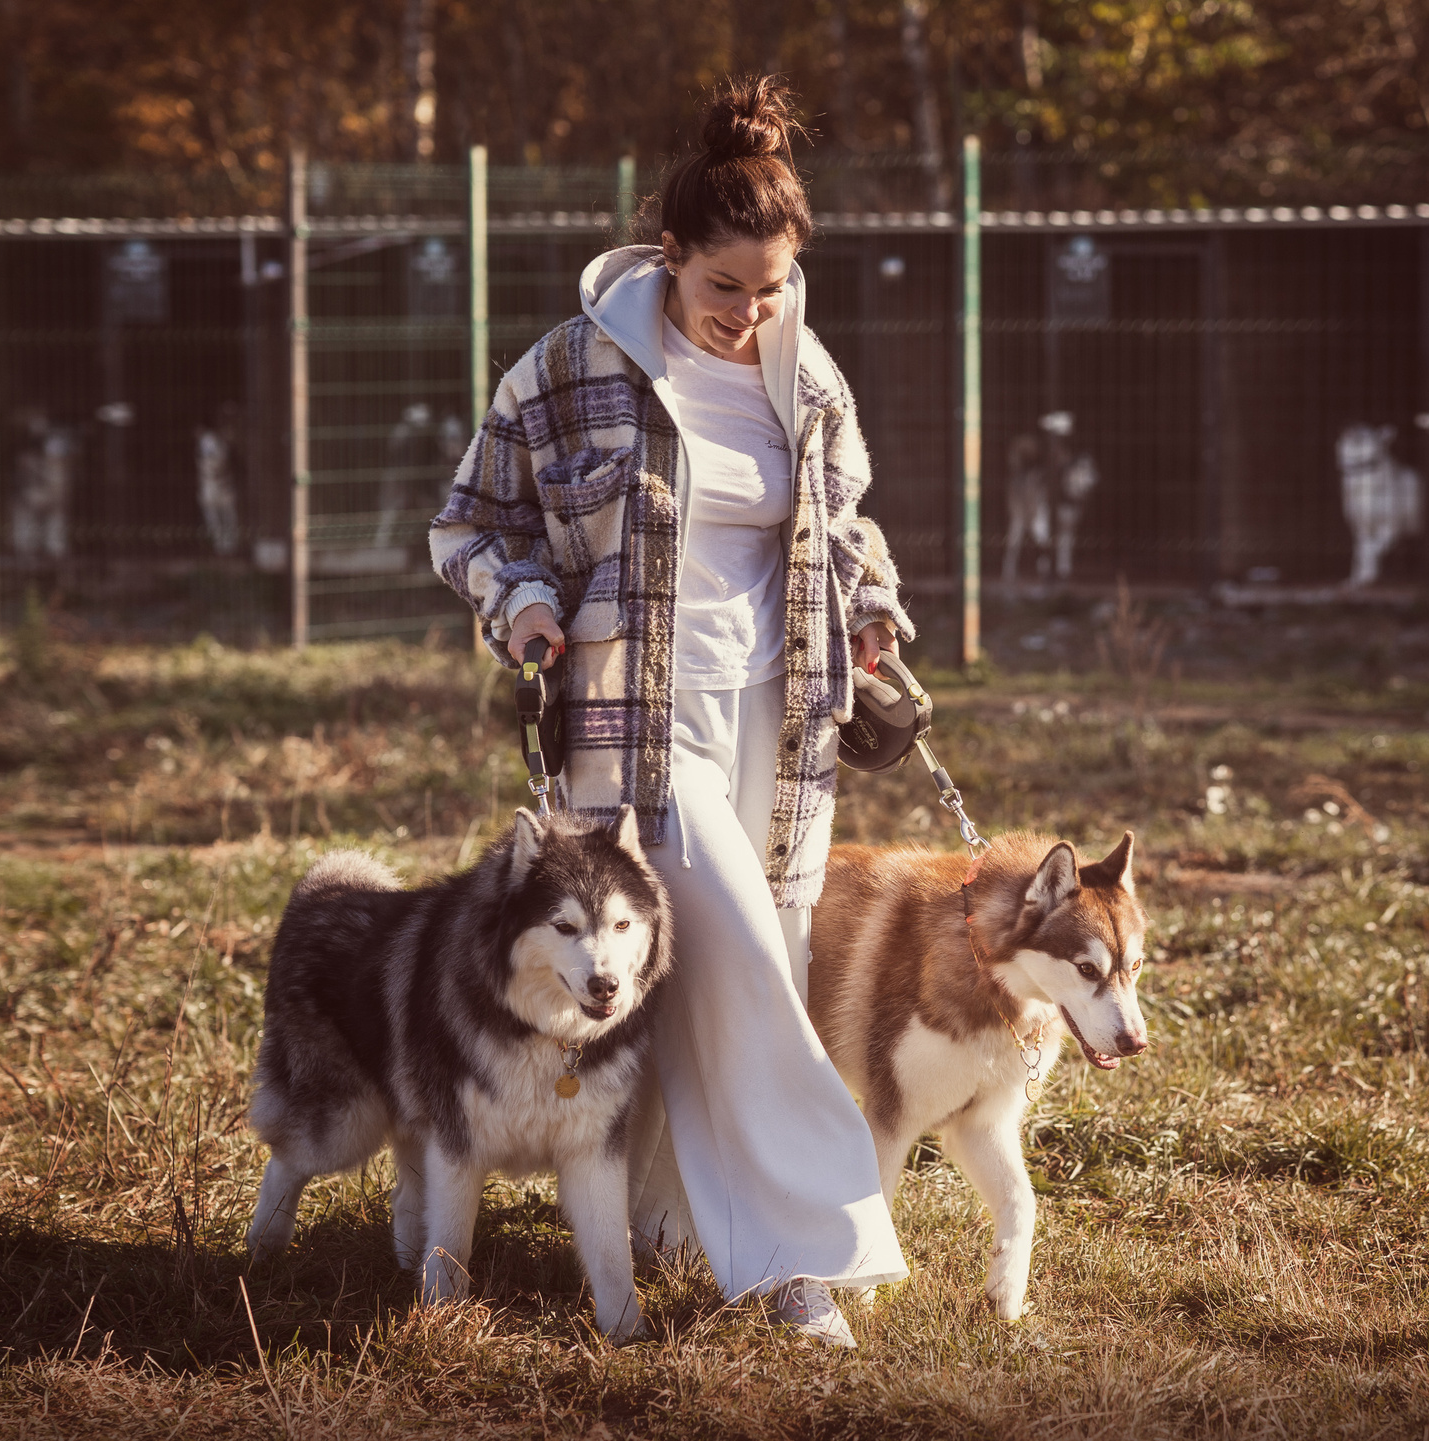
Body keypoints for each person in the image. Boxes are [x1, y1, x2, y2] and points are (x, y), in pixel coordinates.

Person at [427, 75, 912, 1348]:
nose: (747, 317)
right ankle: (803, 1260)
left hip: (782, 715)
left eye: (769, 291)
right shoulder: (570, 366)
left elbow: (845, 524)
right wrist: (521, 601)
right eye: (723, 291)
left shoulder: (805, 377)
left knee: (742, 967)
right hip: (628, 724)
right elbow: (469, 521)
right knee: (744, 963)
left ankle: (667, 1227)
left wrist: (870, 615)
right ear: (672, 256)